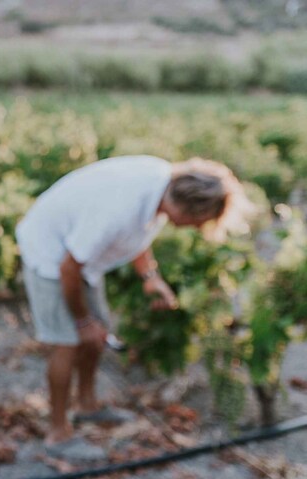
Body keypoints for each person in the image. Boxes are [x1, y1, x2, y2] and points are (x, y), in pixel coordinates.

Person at [15, 155, 252, 461]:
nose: (196, 228)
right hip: (51, 255)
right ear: (188, 208)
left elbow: (138, 235)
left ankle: (86, 406)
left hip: (80, 259)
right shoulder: (119, 209)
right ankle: (58, 433)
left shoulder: (162, 185)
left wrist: (150, 277)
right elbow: (68, 268)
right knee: (68, 343)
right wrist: (83, 321)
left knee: (97, 336)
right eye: (199, 222)